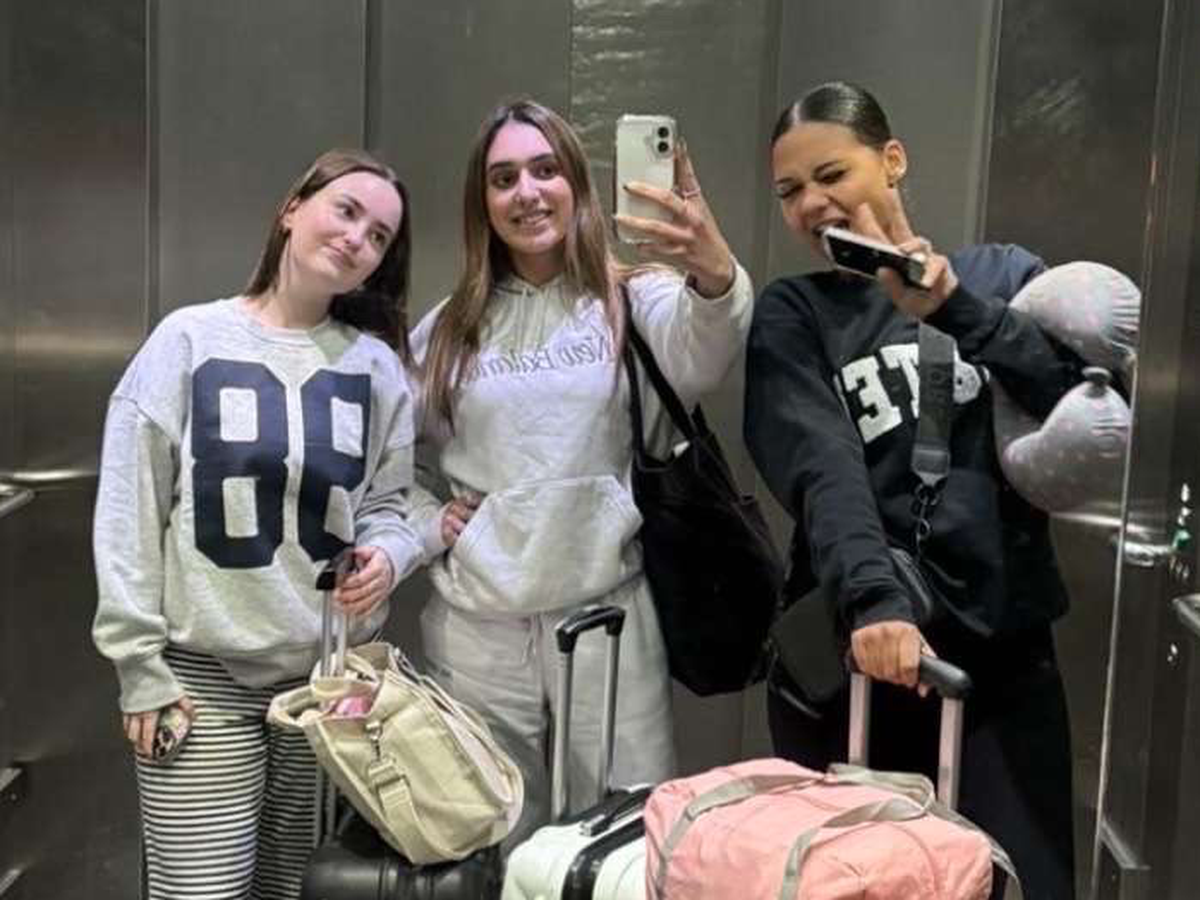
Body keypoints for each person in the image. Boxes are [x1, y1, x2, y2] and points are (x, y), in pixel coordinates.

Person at [744, 82, 1079, 900]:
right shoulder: (796, 313)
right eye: (790, 191)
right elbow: (822, 468)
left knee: (1024, 882)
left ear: (891, 160)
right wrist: (874, 603)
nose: (812, 204)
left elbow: (1076, 401)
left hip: (1003, 660)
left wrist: (958, 310)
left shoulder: (1003, 276)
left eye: (831, 174)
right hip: (867, 662)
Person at [406, 99, 752, 841]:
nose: (526, 193)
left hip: (606, 615)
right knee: (488, 835)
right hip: (479, 625)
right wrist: (430, 519)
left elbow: (710, 349)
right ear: (482, 202)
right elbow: (384, 458)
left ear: (576, 184)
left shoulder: (635, 300)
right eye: (503, 178)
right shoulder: (447, 330)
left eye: (545, 170)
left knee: (620, 837)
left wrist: (712, 265)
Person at [92, 148, 424, 900]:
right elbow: (129, 510)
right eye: (346, 211)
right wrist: (138, 669)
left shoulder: (377, 369)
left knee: (294, 892)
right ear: (292, 209)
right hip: (198, 682)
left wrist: (387, 554)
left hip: (327, 689)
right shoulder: (187, 340)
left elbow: (390, 505)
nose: (357, 238)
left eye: (379, 236)